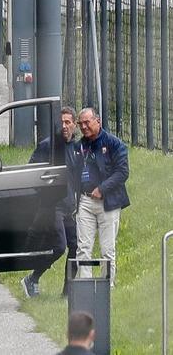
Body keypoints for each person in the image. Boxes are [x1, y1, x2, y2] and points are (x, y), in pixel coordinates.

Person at [21, 107, 79, 298]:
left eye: (68, 122)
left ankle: (67, 292)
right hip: (53, 206)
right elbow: (31, 172)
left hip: (70, 207)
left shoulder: (78, 148)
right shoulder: (47, 146)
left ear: (75, 125)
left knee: (76, 247)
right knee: (60, 246)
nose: (64, 126)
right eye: (61, 122)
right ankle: (33, 278)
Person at [73, 107, 129, 287]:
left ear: (98, 121)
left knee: (107, 249)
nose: (83, 127)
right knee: (83, 247)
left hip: (108, 203)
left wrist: (102, 189)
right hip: (85, 201)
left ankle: (107, 287)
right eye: (80, 124)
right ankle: (85, 286)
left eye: (87, 122)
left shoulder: (114, 144)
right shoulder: (79, 146)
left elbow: (122, 172)